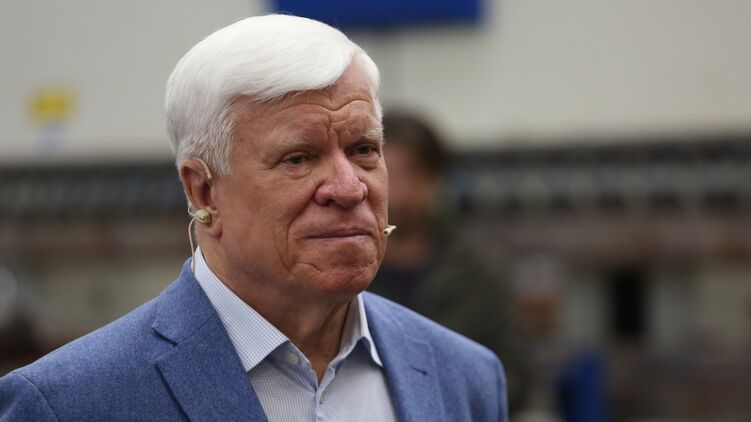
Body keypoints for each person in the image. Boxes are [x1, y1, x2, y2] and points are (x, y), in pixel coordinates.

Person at [0, 15, 507, 421]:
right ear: (203, 189)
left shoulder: (464, 377)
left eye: (363, 150)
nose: (349, 187)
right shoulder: (68, 404)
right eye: (298, 158)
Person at [370, 112, 531, 414]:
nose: (399, 193)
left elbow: (514, 377)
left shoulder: (478, 273)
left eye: (412, 174)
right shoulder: (346, 277)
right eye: (387, 173)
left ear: (436, 181)